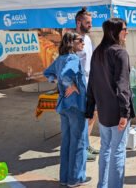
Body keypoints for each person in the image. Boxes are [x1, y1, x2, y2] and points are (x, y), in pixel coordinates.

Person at [85, 18, 135, 188]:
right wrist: (125, 113)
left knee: (106, 149)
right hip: (116, 113)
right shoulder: (119, 52)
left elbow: (92, 82)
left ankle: (103, 185)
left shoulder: (98, 51)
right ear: (115, 32)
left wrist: (90, 108)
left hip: (104, 112)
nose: (127, 32)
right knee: (117, 152)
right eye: (124, 29)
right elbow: (123, 86)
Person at [43, 32, 91, 187]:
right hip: (75, 105)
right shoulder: (73, 58)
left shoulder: (60, 59)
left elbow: (48, 73)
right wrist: (70, 84)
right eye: (80, 40)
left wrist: (58, 81)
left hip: (64, 106)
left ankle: (64, 178)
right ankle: (75, 179)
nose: (83, 42)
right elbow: (64, 74)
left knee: (67, 142)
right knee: (78, 143)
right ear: (71, 42)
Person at [65, 7, 99, 162]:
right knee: (82, 118)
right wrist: (71, 84)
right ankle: (81, 150)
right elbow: (66, 65)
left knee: (92, 114)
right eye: (88, 22)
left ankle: (86, 144)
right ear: (79, 22)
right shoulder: (72, 40)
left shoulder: (88, 39)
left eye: (91, 22)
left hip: (90, 83)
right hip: (79, 86)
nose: (90, 25)